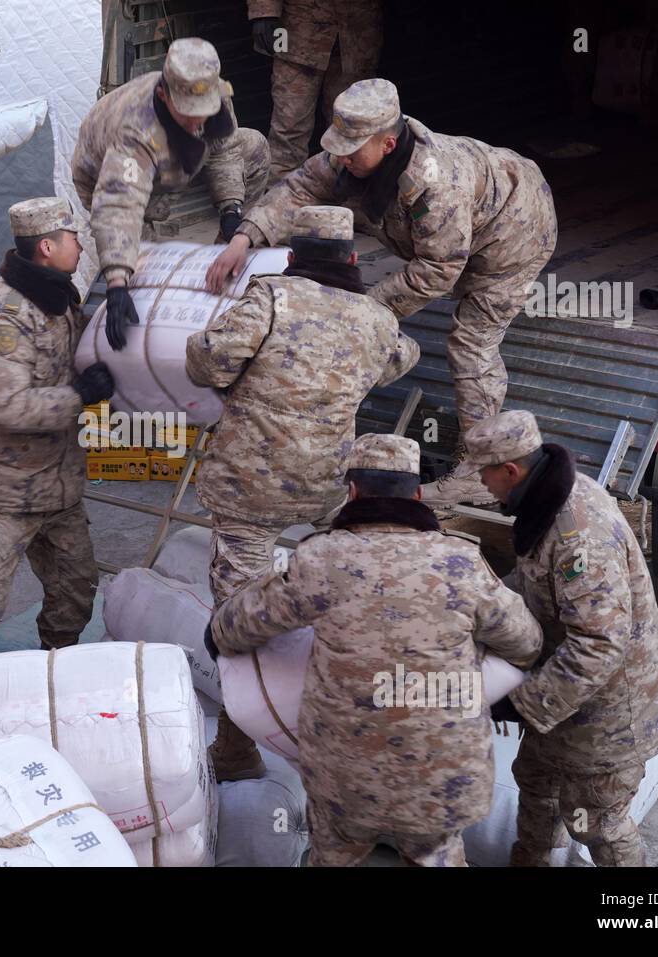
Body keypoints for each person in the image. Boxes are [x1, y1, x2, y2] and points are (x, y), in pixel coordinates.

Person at [207, 78, 558, 504]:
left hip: (515, 229)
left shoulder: (435, 185)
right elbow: (300, 188)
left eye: (352, 150)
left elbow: (438, 267)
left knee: (472, 342)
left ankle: (476, 468)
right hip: (462, 226)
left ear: (388, 145)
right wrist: (245, 238)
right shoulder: (352, 154)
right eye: (337, 146)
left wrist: (366, 311)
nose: (341, 157)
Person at [207, 433, 543, 865]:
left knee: (334, 854)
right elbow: (526, 642)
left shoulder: (319, 559)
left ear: (351, 492)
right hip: (442, 777)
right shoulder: (461, 562)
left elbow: (234, 629)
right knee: (436, 853)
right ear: (419, 495)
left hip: (344, 778)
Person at [184, 204, 419, 780]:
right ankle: (346, 735)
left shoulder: (270, 298)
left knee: (239, 618)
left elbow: (210, 363)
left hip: (249, 486)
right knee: (340, 604)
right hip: (330, 489)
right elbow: (398, 361)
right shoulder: (375, 318)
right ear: (354, 259)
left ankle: (237, 751)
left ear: (291, 258)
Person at [466, 410, 658, 866]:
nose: (481, 485)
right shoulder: (544, 503)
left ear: (510, 471)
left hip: (610, 715)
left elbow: (599, 644)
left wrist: (523, 703)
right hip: (565, 700)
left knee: (596, 821)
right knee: (538, 787)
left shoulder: (580, 536)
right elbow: (532, 585)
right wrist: (475, 610)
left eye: (484, 475)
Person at [0, 198, 113, 664]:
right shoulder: (4, 319)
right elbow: (9, 406)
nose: (81, 244)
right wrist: (80, 395)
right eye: (74, 237)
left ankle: (56, 675)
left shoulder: (59, 300)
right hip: (2, 496)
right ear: (49, 247)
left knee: (76, 593)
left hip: (58, 490)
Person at [72, 36, 270, 350]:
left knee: (254, 146)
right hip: (118, 175)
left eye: (203, 111)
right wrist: (116, 283)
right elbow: (120, 203)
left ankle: (219, 257)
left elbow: (223, 151)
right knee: (144, 274)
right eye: (188, 112)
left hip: (179, 158)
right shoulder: (135, 131)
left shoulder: (213, 95)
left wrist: (232, 212)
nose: (198, 121)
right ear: (164, 95)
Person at [248, 0, 384, 180]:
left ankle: (346, 192)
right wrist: (264, 12)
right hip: (299, 31)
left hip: (358, 34)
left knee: (350, 129)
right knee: (290, 126)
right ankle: (279, 196)